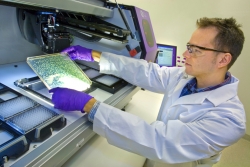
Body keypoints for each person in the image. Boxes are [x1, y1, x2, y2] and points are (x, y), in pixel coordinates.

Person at [49, 17, 246, 167]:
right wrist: (94, 55)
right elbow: (146, 72)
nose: (185, 55)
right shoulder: (184, 77)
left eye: (196, 50)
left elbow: (161, 141)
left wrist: (88, 104)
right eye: (189, 47)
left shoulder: (229, 120)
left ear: (223, 60)